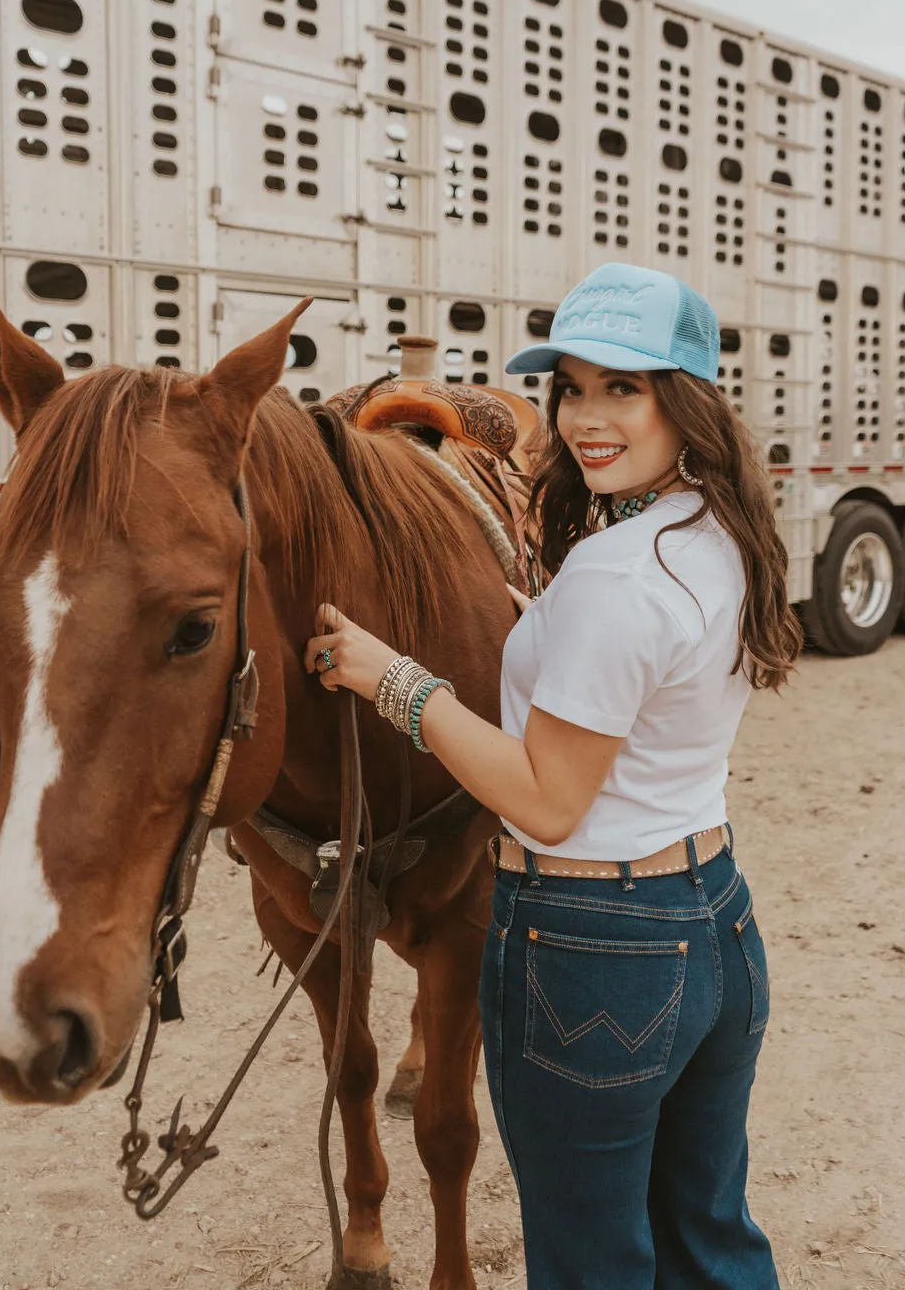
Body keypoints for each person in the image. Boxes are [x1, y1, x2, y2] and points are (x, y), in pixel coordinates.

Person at [304, 260, 802, 1289]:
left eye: (623, 387)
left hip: (596, 955)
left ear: (686, 400)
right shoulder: (713, 531)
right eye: (572, 387)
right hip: (713, 920)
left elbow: (544, 799)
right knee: (708, 1240)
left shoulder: (615, 580)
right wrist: (548, 641)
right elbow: (642, 682)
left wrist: (391, 678)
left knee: (589, 1263)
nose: (585, 417)